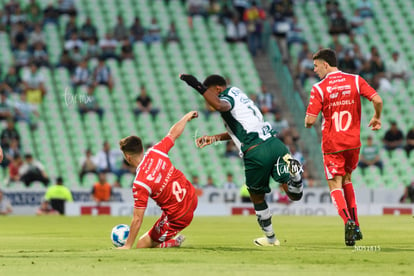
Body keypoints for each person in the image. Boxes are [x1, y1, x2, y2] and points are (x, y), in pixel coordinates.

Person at [180, 74, 303, 247]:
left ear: (216, 89)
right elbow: (240, 129)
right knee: (293, 194)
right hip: (275, 144)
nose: (209, 103)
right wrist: (214, 138)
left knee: (257, 197)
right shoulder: (239, 94)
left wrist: (197, 86)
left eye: (209, 95)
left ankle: (271, 239)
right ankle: (296, 177)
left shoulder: (225, 96)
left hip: (256, 151)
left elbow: (219, 104)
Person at [304, 48, 383, 246]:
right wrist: (376, 117)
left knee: (334, 184)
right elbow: (378, 100)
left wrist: (308, 118)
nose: (314, 70)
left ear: (325, 64)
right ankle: (356, 225)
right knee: (347, 178)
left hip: (333, 144)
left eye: (316, 66)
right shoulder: (356, 80)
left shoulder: (319, 88)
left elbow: (310, 121)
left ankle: (348, 221)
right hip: (353, 143)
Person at [117, 111, 199, 250]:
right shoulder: (156, 151)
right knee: (160, 223)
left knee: (142, 245)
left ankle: (174, 242)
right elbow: (173, 134)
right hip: (191, 196)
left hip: (179, 216)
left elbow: (137, 219)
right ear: (142, 149)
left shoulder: (140, 183)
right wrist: (185, 117)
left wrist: (128, 245)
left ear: (127, 157)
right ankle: (166, 237)